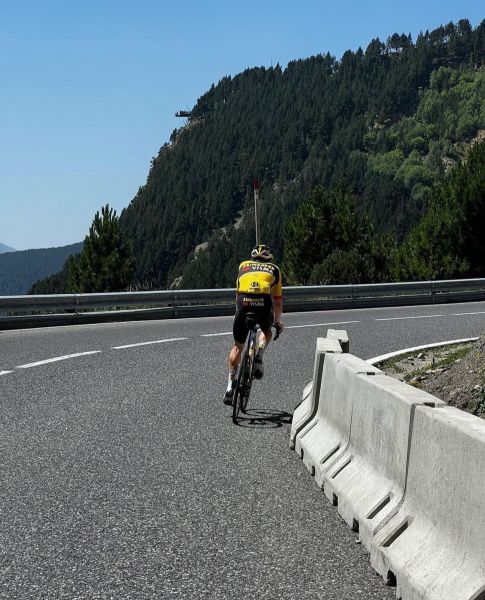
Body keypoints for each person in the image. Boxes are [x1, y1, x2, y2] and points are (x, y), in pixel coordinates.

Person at [223, 244, 283, 405]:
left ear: (252, 258)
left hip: (243, 303)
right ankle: (259, 356)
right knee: (266, 330)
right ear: (269, 259)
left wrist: (238, 313)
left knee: (237, 346)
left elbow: (237, 292)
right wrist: (277, 322)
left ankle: (229, 387)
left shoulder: (243, 265)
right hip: (263, 304)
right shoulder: (275, 269)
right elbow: (277, 302)